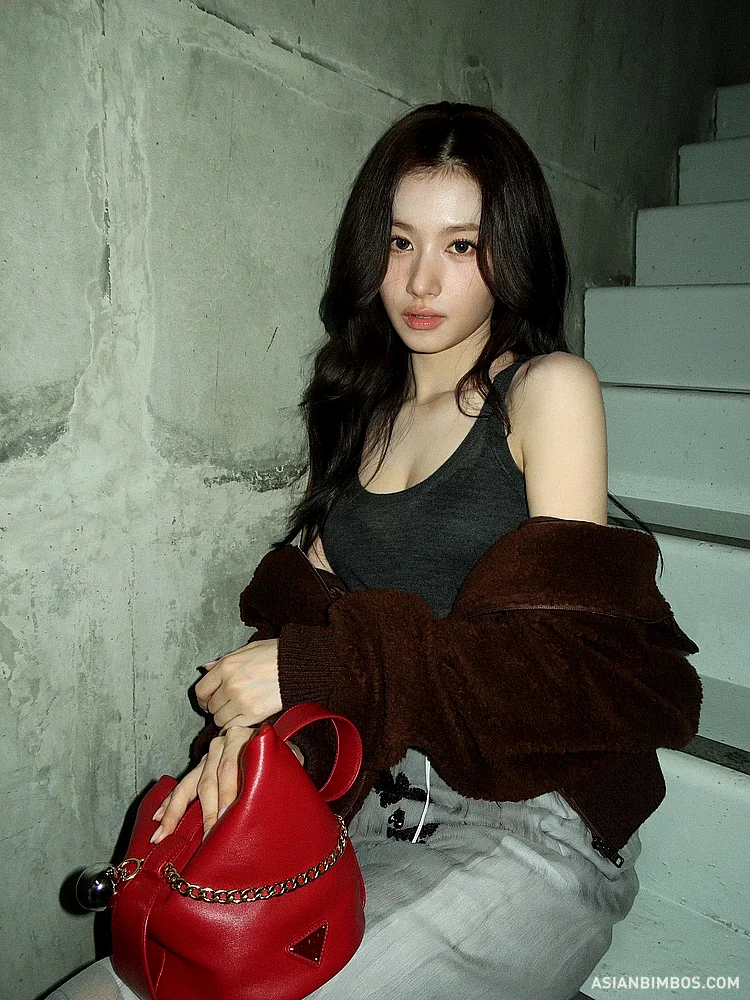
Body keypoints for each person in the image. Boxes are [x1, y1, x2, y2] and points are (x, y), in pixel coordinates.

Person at [50, 102, 697, 1000]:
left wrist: (321, 668)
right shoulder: (364, 413)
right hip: (370, 808)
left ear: (511, 252)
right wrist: (238, 743)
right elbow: (301, 622)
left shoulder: (547, 392)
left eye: (463, 246)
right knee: (126, 981)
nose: (422, 280)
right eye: (400, 242)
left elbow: (569, 667)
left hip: (536, 819)